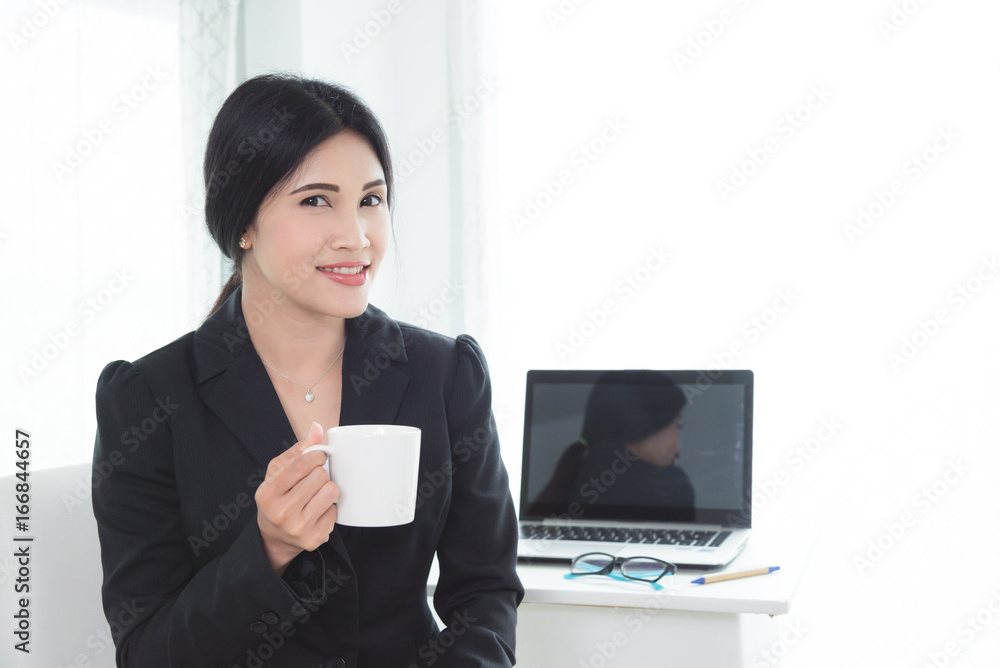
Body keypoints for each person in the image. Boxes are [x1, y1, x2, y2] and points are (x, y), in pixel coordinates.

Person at [91, 73, 523, 668]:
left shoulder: (445, 374)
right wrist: (267, 548)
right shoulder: (148, 398)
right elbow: (147, 653)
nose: (356, 236)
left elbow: (486, 593)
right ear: (242, 223)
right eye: (317, 200)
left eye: (371, 200)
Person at [536, 371, 695, 515]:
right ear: (646, 427)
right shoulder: (670, 486)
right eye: (677, 426)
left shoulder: (574, 474)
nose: (678, 448)